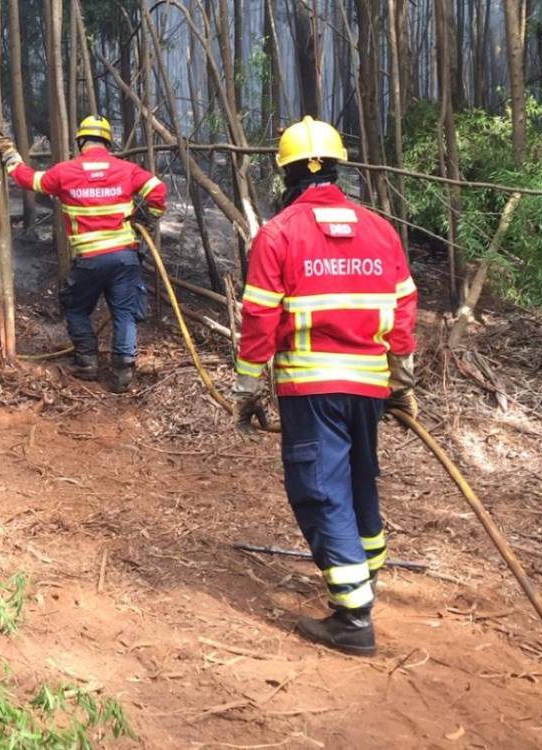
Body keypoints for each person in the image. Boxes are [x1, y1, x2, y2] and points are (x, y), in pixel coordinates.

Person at [232, 116, 418, 656]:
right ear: (339, 168)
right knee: (361, 482)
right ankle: (364, 580)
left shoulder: (280, 233)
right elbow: (404, 309)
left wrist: (247, 390)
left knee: (320, 490)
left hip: (312, 391)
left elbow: (260, 318)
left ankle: (353, 620)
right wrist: (401, 382)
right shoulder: (380, 230)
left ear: (285, 175)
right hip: (369, 389)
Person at [0, 116, 166, 392]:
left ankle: (87, 361)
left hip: (90, 260)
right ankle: (122, 371)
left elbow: (29, 180)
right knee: (124, 312)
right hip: (124, 257)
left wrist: (9, 154)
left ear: (81, 141)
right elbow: (158, 189)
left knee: (76, 307)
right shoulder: (126, 169)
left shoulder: (65, 171)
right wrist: (148, 217)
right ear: (107, 142)